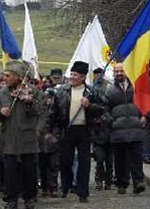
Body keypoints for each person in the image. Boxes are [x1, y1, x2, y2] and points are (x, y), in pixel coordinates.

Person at [45, 61, 104, 203]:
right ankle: (66, 186)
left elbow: (101, 110)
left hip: (84, 131)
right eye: (71, 74)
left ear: (83, 77)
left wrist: (89, 105)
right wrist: (48, 131)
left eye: (75, 75)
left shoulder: (92, 91)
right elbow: (53, 113)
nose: (71, 77)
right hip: (67, 130)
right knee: (65, 161)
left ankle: (83, 192)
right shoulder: (62, 91)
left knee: (84, 162)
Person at [0, 60, 42, 209]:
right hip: (8, 137)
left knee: (29, 169)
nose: (4, 78)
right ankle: (11, 199)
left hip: (27, 137)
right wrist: (0, 112)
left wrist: (29, 103)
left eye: (8, 75)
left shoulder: (33, 91)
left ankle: (29, 198)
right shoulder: (1, 93)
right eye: (4, 75)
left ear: (18, 77)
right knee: (9, 170)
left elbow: (39, 111)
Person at [104, 63, 146, 195]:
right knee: (120, 159)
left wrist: (145, 116)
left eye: (121, 71)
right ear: (113, 73)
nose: (119, 73)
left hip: (135, 128)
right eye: (116, 71)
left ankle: (138, 182)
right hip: (118, 130)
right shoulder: (109, 90)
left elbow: (146, 102)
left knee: (136, 158)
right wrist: (111, 122)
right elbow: (105, 109)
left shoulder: (136, 87)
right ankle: (122, 183)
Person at [90, 68, 113, 191]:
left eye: (100, 74)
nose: (98, 76)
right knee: (99, 159)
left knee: (109, 160)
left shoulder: (109, 89)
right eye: (96, 74)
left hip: (109, 129)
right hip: (96, 131)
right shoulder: (90, 90)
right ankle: (99, 179)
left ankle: (108, 181)